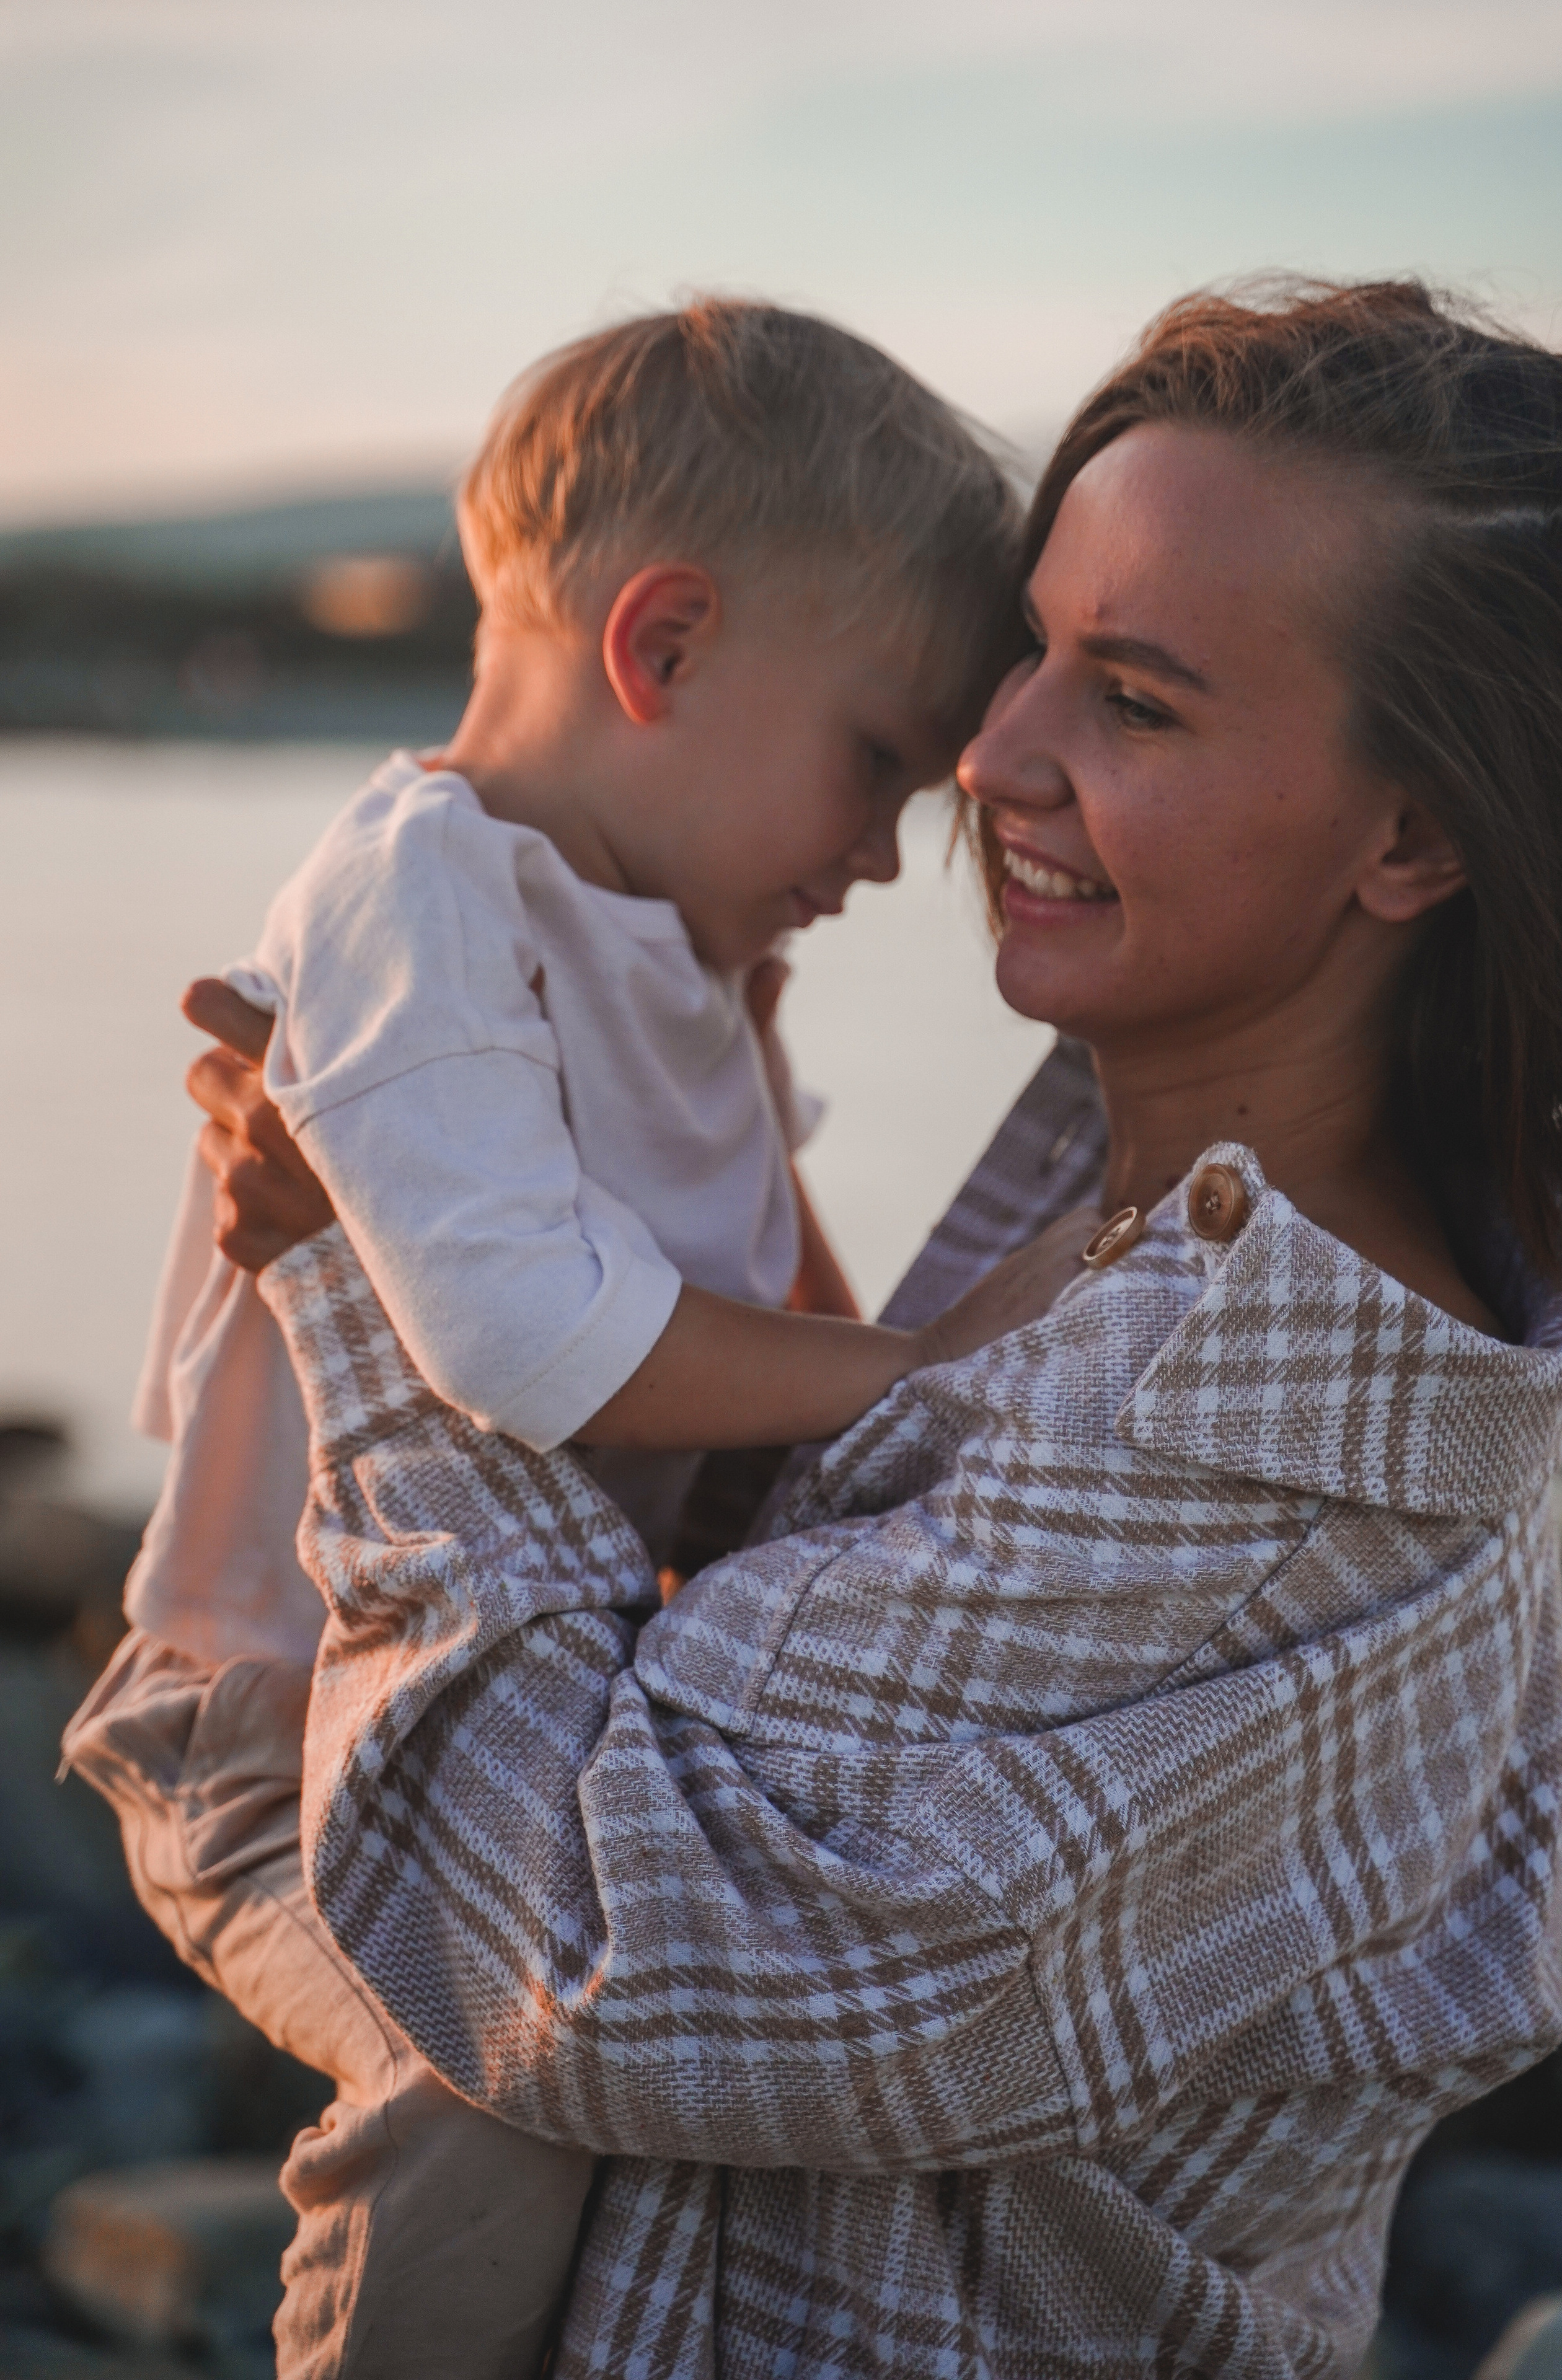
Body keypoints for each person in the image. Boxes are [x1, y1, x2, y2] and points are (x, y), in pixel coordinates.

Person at [71, 278, 1562, 2376]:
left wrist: (343, 1278)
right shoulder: (1127, 1177)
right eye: (1026, 650)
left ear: (1411, 833)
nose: (991, 754)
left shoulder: (1277, 1446)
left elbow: (572, 1962)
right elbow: (810, 1563)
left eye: (1133, 702)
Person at [91, 299, 1090, 2380]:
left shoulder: (688, 956)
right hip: (272, 1729)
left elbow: (774, 1326)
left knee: (672, 2064)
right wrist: (932, 1380)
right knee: (494, 2067)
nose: (886, 854)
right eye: (878, 762)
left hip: (504, 1698)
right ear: (666, 648)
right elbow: (531, 1345)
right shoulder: (419, 892)